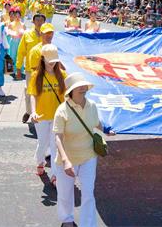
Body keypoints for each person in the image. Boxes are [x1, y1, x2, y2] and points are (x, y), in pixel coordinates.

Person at [53, 72, 115, 227]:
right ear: (71, 91)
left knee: (88, 193)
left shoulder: (91, 105)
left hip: (88, 156)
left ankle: (88, 224)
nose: (83, 88)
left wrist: (106, 130)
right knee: (65, 194)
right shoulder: (62, 111)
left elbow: (96, 123)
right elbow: (58, 138)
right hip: (67, 159)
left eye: (84, 86)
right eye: (79, 86)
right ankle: (67, 220)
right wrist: (66, 161)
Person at [28, 44, 67, 186]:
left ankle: (55, 175)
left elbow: (68, 97)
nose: (52, 63)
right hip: (42, 117)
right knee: (43, 144)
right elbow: (33, 95)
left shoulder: (62, 75)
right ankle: (40, 161)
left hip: (58, 118)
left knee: (55, 145)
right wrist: (34, 112)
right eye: (49, 60)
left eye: (54, 60)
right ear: (42, 59)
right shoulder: (36, 76)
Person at [16, 13, 46, 123]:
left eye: (41, 20)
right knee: (29, 92)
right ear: (33, 22)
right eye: (37, 20)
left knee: (43, 92)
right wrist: (18, 67)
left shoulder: (47, 34)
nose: (39, 22)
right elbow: (21, 52)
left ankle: (41, 113)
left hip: (45, 69)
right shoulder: (27, 34)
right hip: (30, 69)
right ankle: (29, 112)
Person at [6, 6, 25, 71]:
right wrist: (12, 33)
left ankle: (21, 69)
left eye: (18, 16)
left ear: (20, 16)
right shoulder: (11, 24)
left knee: (20, 55)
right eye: (16, 16)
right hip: (13, 41)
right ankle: (13, 69)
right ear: (14, 16)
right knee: (12, 55)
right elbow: (8, 32)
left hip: (20, 41)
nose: (17, 18)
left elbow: (25, 34)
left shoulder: (23, 24)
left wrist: (22, 34)